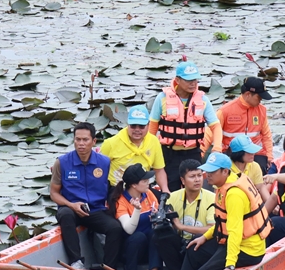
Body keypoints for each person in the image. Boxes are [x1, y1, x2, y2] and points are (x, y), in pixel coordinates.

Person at [178, 153, 272, 270]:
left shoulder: (234, 195)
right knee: (194, 249)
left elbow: (235, 232)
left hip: (247, 250)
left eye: (212, 172)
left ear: (225, 171)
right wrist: (204, 237)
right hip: (231, 242)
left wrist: (230, 265)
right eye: (207, 171)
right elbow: (222, 222)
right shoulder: (224, 185)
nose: (207, 175)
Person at [50, 123, 123, 270]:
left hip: (95, 210)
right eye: (78, 139)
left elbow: (115, 186)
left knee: (115, 228)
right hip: (72, 209)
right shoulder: (61, 162)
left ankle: (109, 268)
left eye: (85, 140)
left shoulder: (105, 162)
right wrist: (71, 205)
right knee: (65, 214)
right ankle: (75, 261)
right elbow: (54, 193)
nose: (81, 144)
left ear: (94, 141)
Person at [149, 61, 222, 191]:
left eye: (195, 80)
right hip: (169, 154)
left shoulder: (203, 100)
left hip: (193, 153)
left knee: (195, 189)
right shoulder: (162, 98)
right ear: (177, 80)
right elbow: (152, 129)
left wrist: (216, 148)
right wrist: (149, 152)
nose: (193, 83)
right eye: (188, 80)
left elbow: (215, 127)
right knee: (171, 190)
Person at [152, 159, 215, 270]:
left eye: (199, 175)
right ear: (182, 180)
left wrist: (181, 226)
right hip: (180, 243)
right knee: (160, 235)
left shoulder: (212, 198)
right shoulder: (172, 197)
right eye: (192, 176)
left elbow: (212, 229)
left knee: (200, 238)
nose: (197, 180)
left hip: (199, 245)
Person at [100, 105, 170, 192]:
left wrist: (165, 189)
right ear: (128, 124)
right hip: (118, 189)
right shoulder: (110, 143)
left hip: (143, 188)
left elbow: (159, 170)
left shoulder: (154, 141)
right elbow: (99, 170)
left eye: (141, 126)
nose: (137, 130)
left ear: (148, 125)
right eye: (133, 126)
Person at [210, 77, 274, 173]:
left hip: (255, 153)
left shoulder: (262, 110)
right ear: (248, 94)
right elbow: (210, 132)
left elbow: (266, 135)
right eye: (259, 97)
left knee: (262, 169)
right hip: (232, 152)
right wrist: (203, 153)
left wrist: (269, 155)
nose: (261, 99)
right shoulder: (225, 111)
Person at [108, 164, 162, 270]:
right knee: (138, 237)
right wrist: (137, 210)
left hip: (149, 249)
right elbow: (129, 230)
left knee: (156, 232)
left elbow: (157, 213)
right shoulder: (121, 201)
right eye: (144, 181)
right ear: (133, 185)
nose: (148, 183)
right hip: (130, 250)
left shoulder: (148, 194)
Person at [226, 136, 270, 203]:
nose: (253, 153)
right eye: (249, 151)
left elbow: (260, 188)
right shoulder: (225, 168)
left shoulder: (255, 166)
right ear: (238, 153)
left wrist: (270, 203)